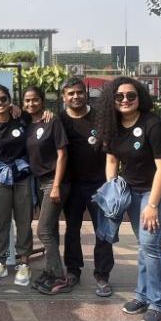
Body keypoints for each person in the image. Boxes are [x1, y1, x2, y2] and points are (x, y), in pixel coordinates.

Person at [96, 76, 161, 321]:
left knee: (150, 244)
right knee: (144, 245)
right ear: (112, 100)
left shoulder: (153, 125)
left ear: (140, 97)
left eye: (131, 96)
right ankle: (143, 296)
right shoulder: (112, 127)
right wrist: (113, 190)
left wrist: (153, 206)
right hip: (132, 191)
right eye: (119, 96)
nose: (125, 100)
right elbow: (111, 161)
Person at [49, 77, 115, 297]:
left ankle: (102, 275)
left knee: (103, 232)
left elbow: (111, 150)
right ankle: (74, 270)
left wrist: (110, 183)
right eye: (70, 94)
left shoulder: (99, 118)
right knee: (72, 230)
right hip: (72, 186)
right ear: (63, 97)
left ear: (85, 93)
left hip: (99, 185)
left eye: (79, 92)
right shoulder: (58, 120)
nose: (75, 97)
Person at [0, 84, 34, 286]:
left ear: (10, 100)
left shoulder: (22, 120)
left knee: (24, 221)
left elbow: (38, 116)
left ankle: (24, 263)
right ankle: (0, 262)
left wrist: (20, 108)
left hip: (22, 177)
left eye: (3, 99)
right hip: (0, 179)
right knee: (2, 222)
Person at [21, 86, 69, 294]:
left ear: (42, 101)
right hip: (38, 182)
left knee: (43, 230)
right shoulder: (27, 123)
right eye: (27, 101)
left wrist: (56, 185)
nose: (31, 104)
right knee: (51, 230)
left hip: (53, 181)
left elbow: (62, 155)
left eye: (35, 100)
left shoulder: (52, 121)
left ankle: (59, 276)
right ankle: (51, 270)